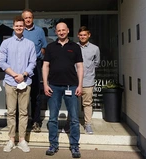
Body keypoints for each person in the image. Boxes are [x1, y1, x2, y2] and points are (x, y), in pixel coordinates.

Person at [42, 22, 83, 158]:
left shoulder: (75, 47)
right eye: (58, 30)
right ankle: (53, 144)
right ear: (56, 32)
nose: (61, 32)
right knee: (53, 118)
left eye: (63, 30)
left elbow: (80, 67)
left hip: (71, 86)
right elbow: (45, 66)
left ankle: (75, 146)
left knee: (75, 119)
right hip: (53, 86)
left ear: (68, 30)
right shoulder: (50, 47)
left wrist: (80, 85)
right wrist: (45, 84)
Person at [0, 16, 37, 153]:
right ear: (13, 26)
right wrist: (15, 74)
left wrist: (24, 74)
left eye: (21, 26)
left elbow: (33, 62)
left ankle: (22, 139)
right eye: (17, 25)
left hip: (25, 82)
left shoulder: (30, 44)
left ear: (24, 27)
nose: (19, 27)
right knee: (11, 112)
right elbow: (2, 62)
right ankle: (11, 139)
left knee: (24, 112)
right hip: (10, 81)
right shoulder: (6, 43)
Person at [22, 9, 47, 133]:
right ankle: (23, 121)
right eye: (25, 18)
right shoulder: (19, 30)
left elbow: (44, 47)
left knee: (35, 94)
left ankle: (35, 121)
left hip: (36, 64)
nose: (27, 19)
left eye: (30, 17)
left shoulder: (39, 31)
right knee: (22, 94)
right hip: (22, 65)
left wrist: (39, 58)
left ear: (33, 18)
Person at [77, 26, 100, 134]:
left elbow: (96, 63)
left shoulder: (95, 49)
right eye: (81, 35)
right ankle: (72, 123)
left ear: (89, 35)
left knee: (87, 103)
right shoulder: (74, 47)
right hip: (74, 81)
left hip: (88, 81)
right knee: (72, 103)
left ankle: (88, 124)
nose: (82, 37)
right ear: (78, 36)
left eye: (84, 35)